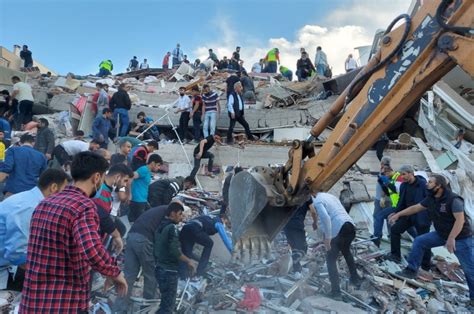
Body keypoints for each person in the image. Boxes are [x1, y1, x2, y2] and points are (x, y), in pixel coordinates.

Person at [19, 152, 127, 312]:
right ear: (96, 177)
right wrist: (115, 273)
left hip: (33, 300)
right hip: (63, 301)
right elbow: (92, 249)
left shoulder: (45, 202)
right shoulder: (84, 206)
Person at [389, 174, 473, 307]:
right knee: (419, 241)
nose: (427, 184)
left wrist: (451, 239)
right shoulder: (431, 198)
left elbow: (460, 220)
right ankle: (411, 270)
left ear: (439, 186)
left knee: (469, 269)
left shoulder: (453, 199)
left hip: (461, 238)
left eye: (430, 182)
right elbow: (416, 207)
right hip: (441, 234)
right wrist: (398, 214)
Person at [0, 169, 68, 291]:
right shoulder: (30, 207)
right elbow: (17, 253)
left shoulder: (29, 199)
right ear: (53, 187)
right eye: (64, 192)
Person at [114, 202, 174, 312]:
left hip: (131, 237)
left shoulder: (158, 210)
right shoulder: (167, 214)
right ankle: (147, 308)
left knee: (129, 275)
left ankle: (119, 308)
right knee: (151, 275)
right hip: (143, 240)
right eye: (180, 214)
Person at [312, 192, 361, 300]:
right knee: (346, 251)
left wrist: (328, 238)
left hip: (339, 227)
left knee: (330, 259)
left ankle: (336, 292)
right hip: (350, 226)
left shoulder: (317, 200)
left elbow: (326, 219)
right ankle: (356, 279)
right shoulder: (331, 196)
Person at [387, 165, 432, 270]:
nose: (402, 177)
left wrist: (431, 216)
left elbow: (430, 201)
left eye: (404, 174)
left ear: (411, 173)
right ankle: (395, 255)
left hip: (422, 217)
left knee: (424, 239)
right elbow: (401, 202)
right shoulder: (404, 186)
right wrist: (395, 213)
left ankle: (426, 265)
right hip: (408, 215)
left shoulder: (423, 185)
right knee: (394, 230)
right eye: (401, 175)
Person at [154, 202, 195, 314]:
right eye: (180, 214)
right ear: (173, 213)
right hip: (168, 271)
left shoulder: (161, 226)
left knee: (164, 303)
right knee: (168, 306)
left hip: (159, 268)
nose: (182, 217)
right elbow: (174, 250)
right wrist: (188, 261)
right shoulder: (172, 228)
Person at [93, 164, 134, 254]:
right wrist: (116, 235)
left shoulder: (106, 189)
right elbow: (100, 218)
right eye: (125, 181)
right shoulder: (101, 191)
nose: (125, 185)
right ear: (118, 177)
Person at [284, 199, 318, 274]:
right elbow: (313, 211)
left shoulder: (291, 195)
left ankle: (298, 270)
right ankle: (297, 271)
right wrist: (315, 222)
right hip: (297, 224)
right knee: (303, 248)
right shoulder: (307, 197)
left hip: (286, 225)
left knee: (294, 248)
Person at [372, 165, 403, 247]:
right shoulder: (392, 178)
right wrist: (382, 183)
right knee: (409, 227)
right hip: (397, 205)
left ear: (389, 172)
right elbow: (389, 192)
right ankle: (417, 238)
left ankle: (376, 238)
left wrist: (386, 182)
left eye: (384, 174)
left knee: (379, 216)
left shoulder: (398, 177)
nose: (384, 176)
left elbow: (396, 190)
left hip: (400, 206)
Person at [129, 154, 162, 222]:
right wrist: (129, 193)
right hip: (137, 200)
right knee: (140, 222)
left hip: (143, 200)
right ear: (153, 163)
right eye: (158, 165)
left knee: (151, 215)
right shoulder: (144, 169)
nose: (159, 168)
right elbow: (130, 177)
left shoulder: (148, 171)